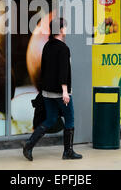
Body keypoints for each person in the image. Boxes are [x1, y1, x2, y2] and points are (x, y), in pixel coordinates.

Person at [23, 17, 82, 161]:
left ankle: (29, 145)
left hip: (47, 92)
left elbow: (44, 70)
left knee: (50, 119)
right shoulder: (63, 48)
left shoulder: (47, 46)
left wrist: (43, 91)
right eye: (65, 27)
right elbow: (63, 72)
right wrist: (65, 92)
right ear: (61, 29)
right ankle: (68, 151)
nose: (66, 30)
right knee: (69, 119)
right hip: (60, 92)